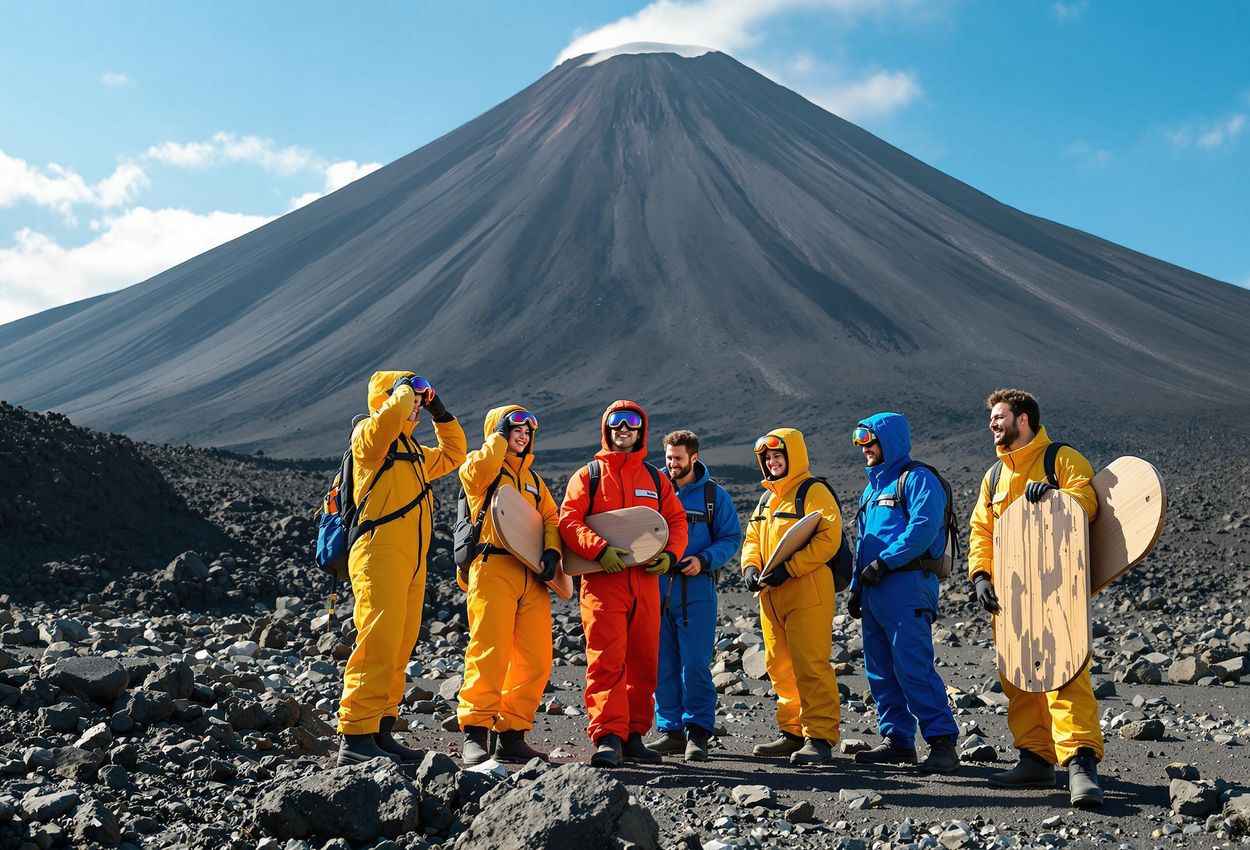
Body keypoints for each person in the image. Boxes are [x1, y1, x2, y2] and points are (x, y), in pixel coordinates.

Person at [968, 388, 1104, 807]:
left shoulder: (1060, 459)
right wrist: (980, 576)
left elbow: (1089, 500)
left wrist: (1053, 497)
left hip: (1056, 588)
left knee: (1064, 674)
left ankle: (1079, 763)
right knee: (1018, 678)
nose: (993, 423)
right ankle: (1036, 757)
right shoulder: (994, 477)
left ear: (1022, 418)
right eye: (991, 418)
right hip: (1010, 595)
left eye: (999, 416)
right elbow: (982, 532)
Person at [337, 372, 466, 766]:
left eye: (416, 401)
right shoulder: (368, 438)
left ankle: (380, 729)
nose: (414, 406)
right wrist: (404, 390)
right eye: (407, 399)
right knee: (377, 639)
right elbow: (384, 424)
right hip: (378, 553)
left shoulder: (413, 451)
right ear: (388, 399)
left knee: (398, 644)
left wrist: (438, 410)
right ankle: (354, 736)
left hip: (411, 559)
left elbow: (455, 453)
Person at [559, 401, 689, 768]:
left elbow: (676, 521)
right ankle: (608, 737)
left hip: (646, 581)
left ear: (641, 430)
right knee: (607, 660)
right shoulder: (588, 475)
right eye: (616, 423)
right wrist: (599, 550)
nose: (624, 428)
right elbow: (568, 521)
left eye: (632, 423)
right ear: (607, 428)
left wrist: (671, 554)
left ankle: (633, 735)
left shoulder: (654, 478)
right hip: (604, 583)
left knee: (644, 661)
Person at [847, 412, 960, 773]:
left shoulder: (917, 479)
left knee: (913, 666)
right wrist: (856, 587)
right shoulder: (872, 488)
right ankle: (897, 741)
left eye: (871, 442)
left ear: (889, 441)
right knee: (880, 670)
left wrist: (885, 563)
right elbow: (864, 541)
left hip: (907, 586)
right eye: (862, 444)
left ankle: (942, 742)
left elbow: (923, 529)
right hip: (875, 590)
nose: (865, 449)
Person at [456, 405, 562, 765]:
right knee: (489, 650)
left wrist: (551, 549)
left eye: (527, 431)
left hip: (530, 574)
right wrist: (497, 439)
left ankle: (512, 734)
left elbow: (550, 516)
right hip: (492, 566)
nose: (522, 435)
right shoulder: (482, 466)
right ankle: (475, 732)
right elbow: (473, 476)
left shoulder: (533, 480)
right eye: (514, 428)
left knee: (536, 659)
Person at [740, 428, 843, 766]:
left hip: (807, 589)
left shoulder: (813, 491)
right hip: (771, 593)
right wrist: (750, 568)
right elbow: (753, 537)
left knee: (810, 663)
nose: (772, 461)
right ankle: (792, 732)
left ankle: (820, 737)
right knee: (779, 666)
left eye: (778, 455)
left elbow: (829, 536)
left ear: (793, 455)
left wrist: (792, 568)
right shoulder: (767, 498)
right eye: (767, 458)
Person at [646, 430, 743, 762]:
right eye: (669, 458)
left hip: (697, 589)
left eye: (679, 459)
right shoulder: (652, 491)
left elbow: (731, 537)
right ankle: (670, 730)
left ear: (694, 458)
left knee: (696, 664)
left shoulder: (714, 496)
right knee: (663, 663)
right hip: (657, 588)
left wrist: (703, 560)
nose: (672, 464)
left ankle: (698, 732)